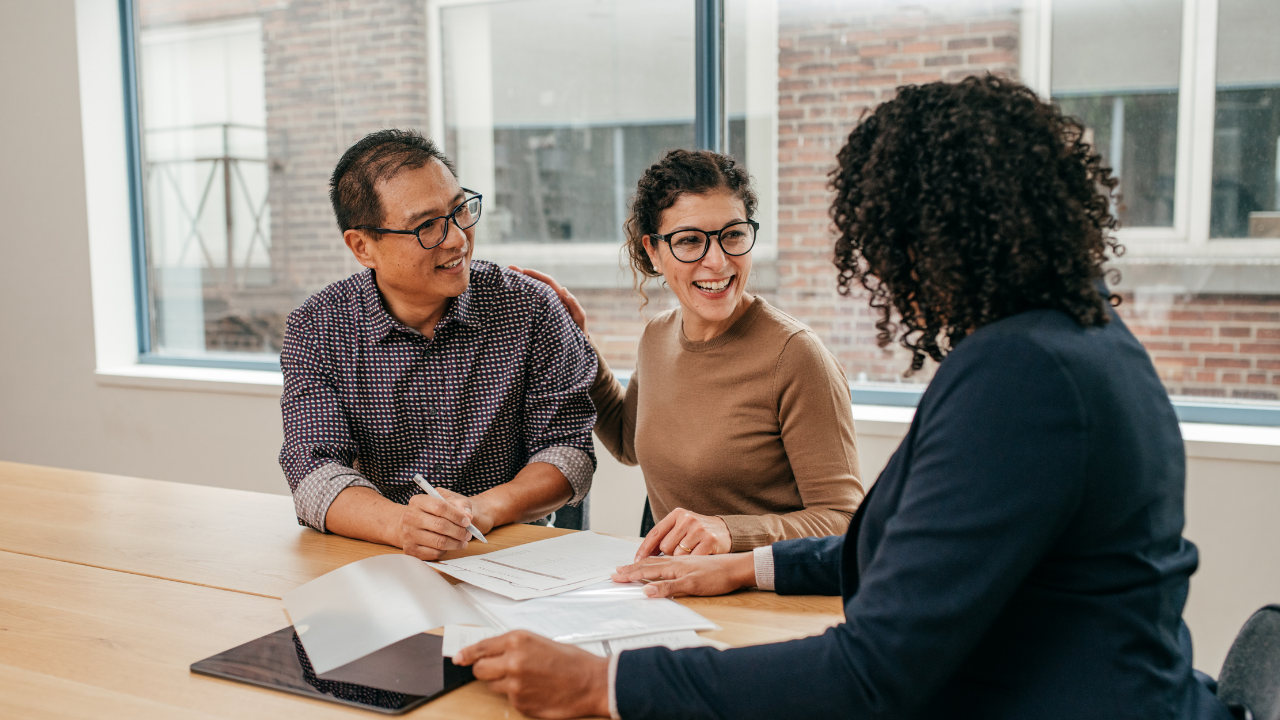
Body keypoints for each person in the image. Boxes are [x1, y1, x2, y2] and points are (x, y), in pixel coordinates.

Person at [454, 76, 1236, 720]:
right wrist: (752, 567)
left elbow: (874, 671)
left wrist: (607, 685)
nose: (888, 275)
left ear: (934, 237)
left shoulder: (1025, 376)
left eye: (888, 244)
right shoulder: (1072, 340)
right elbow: (909, 549)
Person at [515, 149, 865, 560]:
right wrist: (577, 343)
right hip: (677, 586)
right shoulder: (657, 335)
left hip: (764, 598)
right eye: (689, 241)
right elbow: (629, 443)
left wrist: (730, 532)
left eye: (733, 234)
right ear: (653, 252)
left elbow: (844, 519)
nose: (716, 261)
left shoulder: (797, 356)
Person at [278, 129, 597, 560]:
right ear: (362, 246)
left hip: (511, 552)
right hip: (380, 555)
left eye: (459, 210)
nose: (457, 239)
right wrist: (401, 525)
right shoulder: (317, 327)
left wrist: (483, 509)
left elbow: (569, 452)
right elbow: (314, 470)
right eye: (426, 225)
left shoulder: (531, 307)